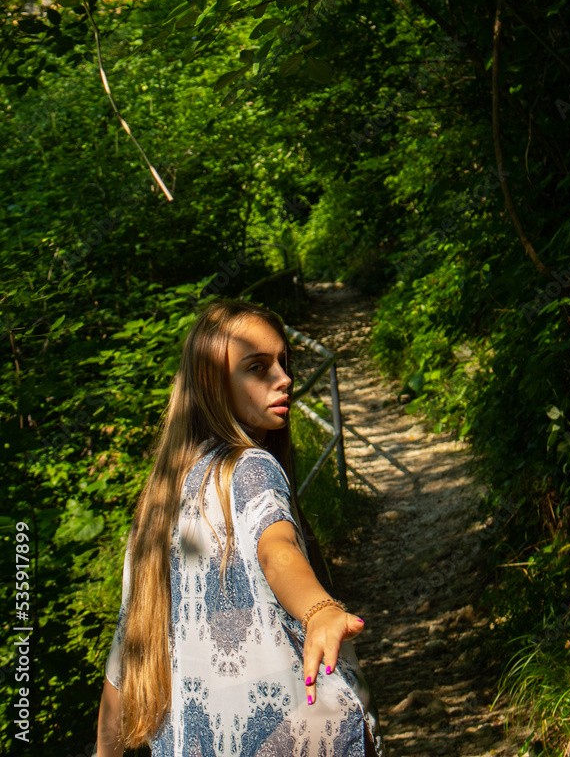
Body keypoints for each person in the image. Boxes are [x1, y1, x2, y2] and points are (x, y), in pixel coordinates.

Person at [96, 298, 383, 756]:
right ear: (213, 385)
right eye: (258, 366)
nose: (284, 378)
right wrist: (320, 610)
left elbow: (127, 654)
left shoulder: (157, 504)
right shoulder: (250, 467)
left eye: (283, 362)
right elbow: (278, 551)